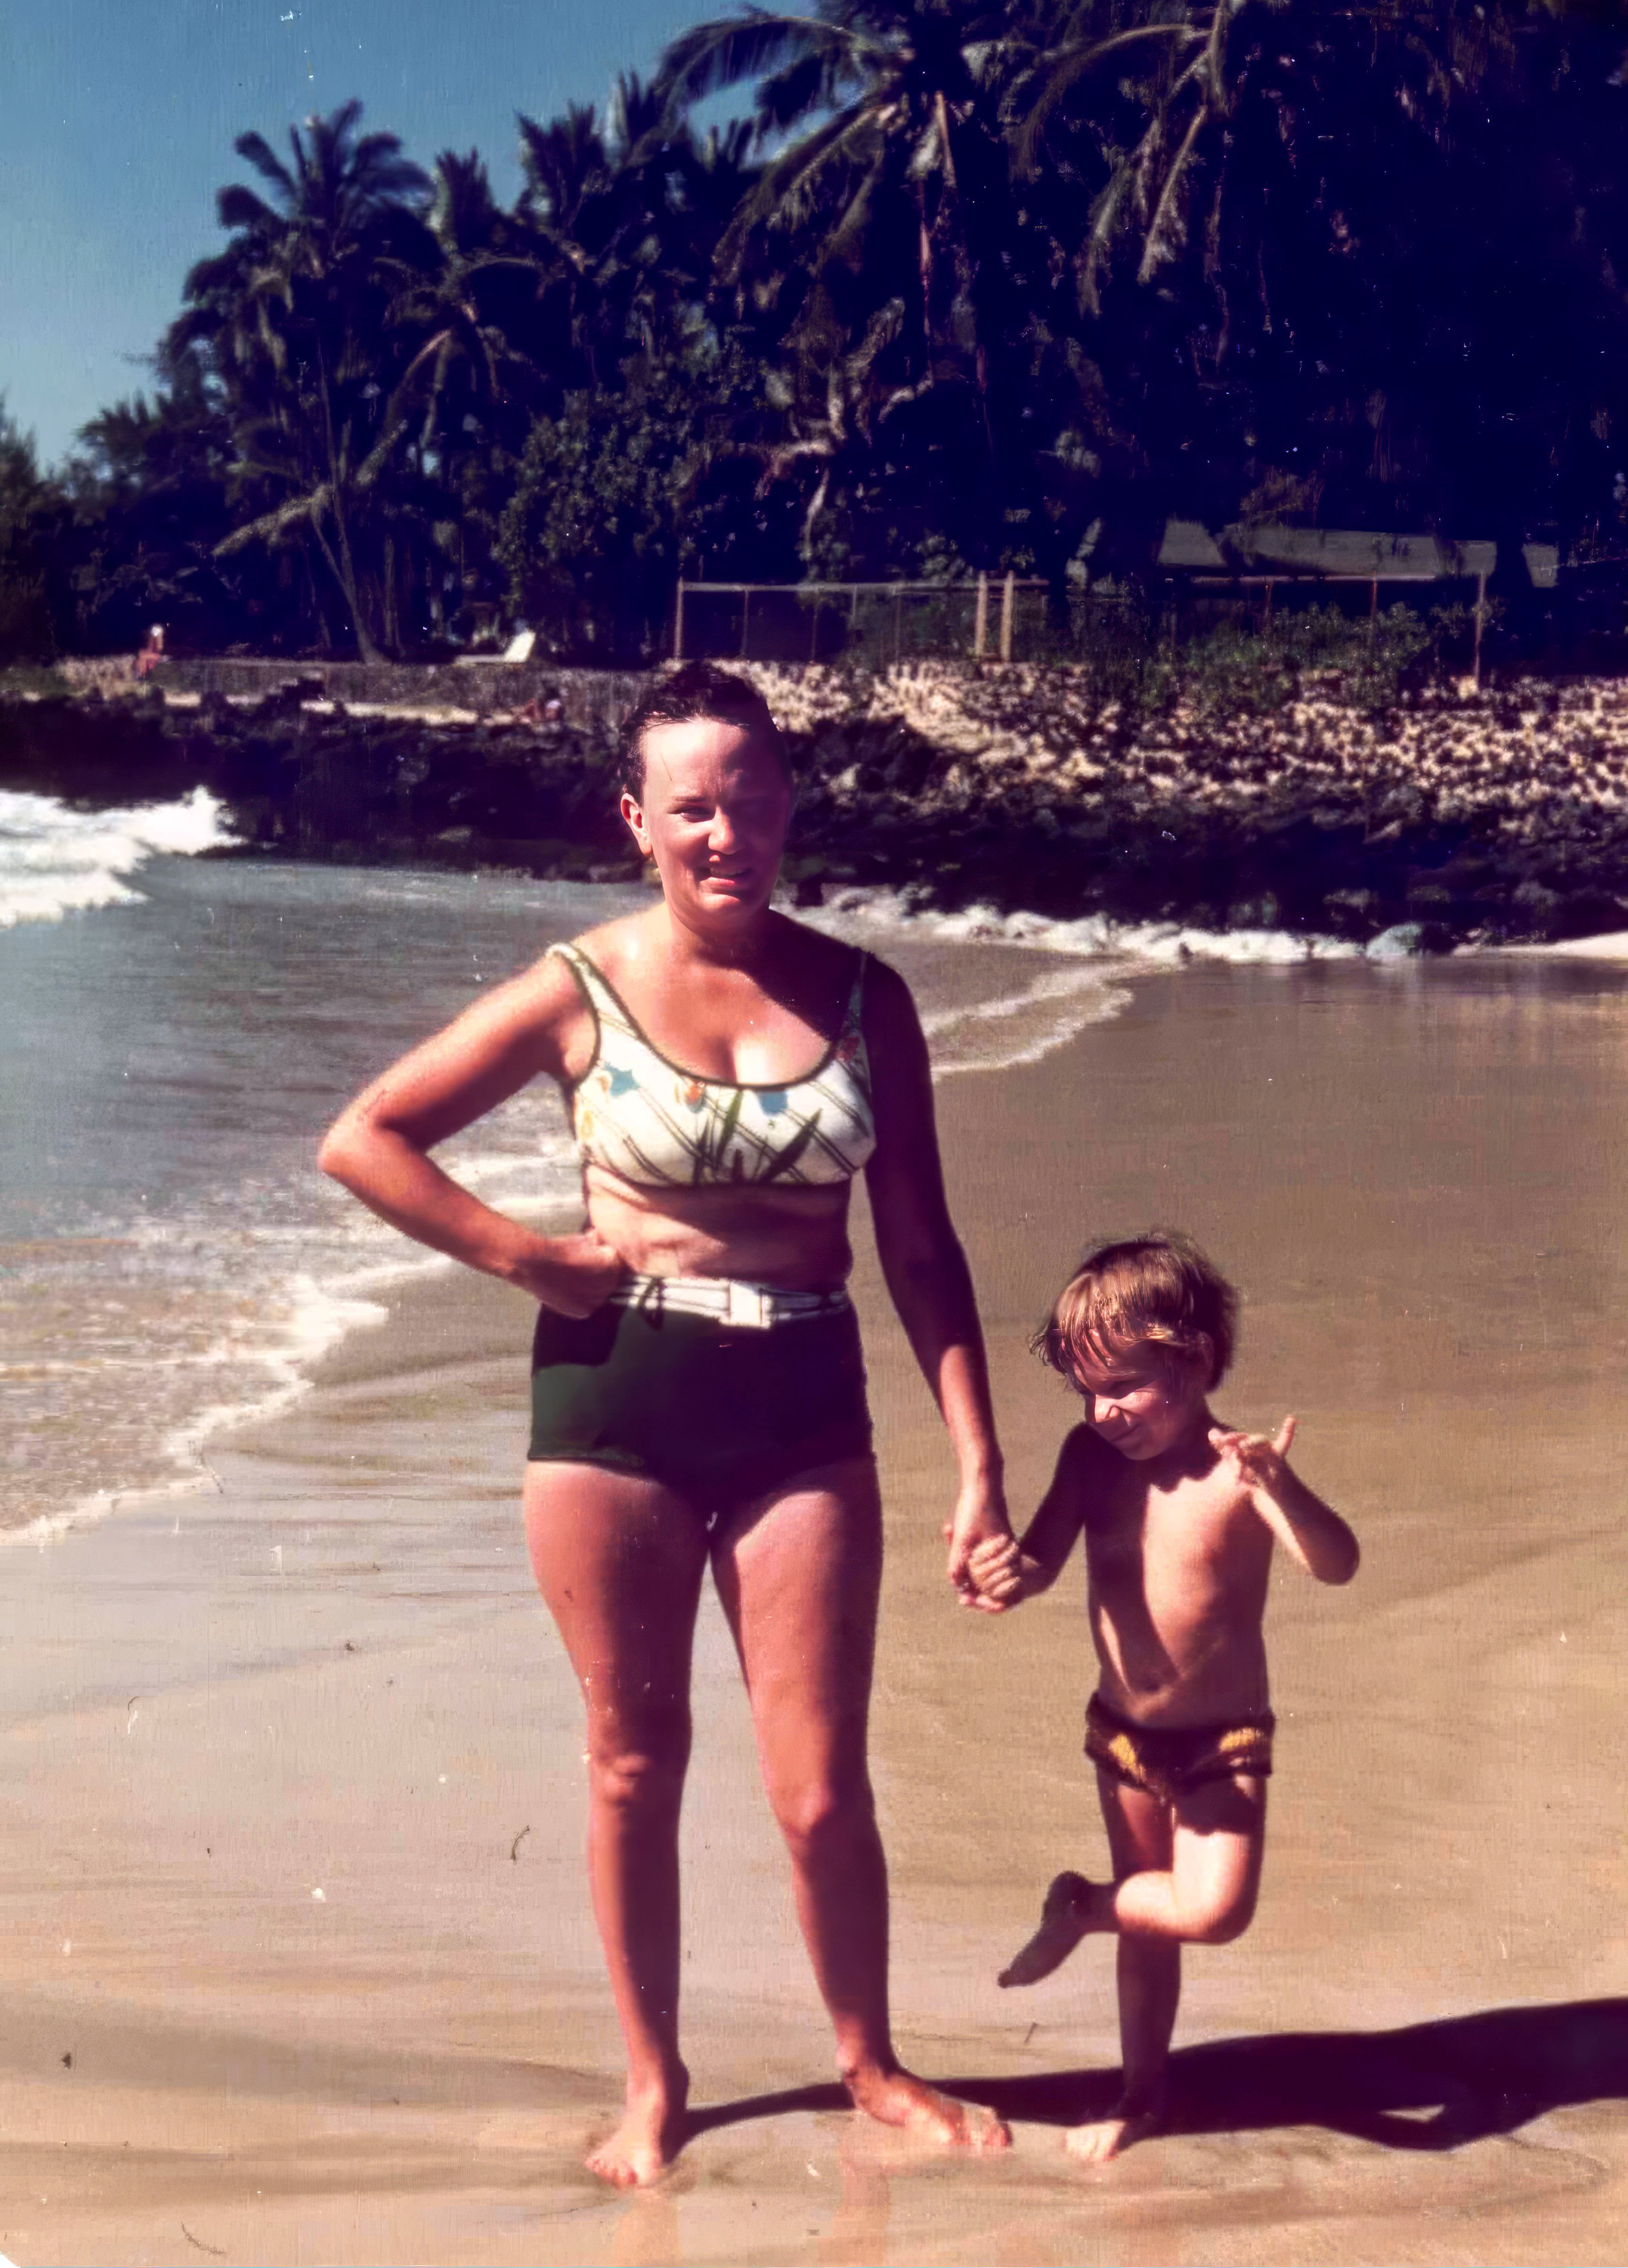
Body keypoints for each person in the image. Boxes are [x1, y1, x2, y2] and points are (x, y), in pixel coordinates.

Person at [318, 662, 1013, 2186]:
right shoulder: (575, 987)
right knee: (635, 1760)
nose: (727, 832)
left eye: (753, 801)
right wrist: (531, 1256)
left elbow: (921, 1250)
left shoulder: (862, 995)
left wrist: (979, 1457)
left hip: (805, 1409)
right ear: (635, 819)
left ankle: (870, 2062)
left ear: (786, 811)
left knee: (821, 1783)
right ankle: (654, 2084)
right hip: (614, 1410)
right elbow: (365, 1138)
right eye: (693, 805)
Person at [968, 1233, 1358, 2163]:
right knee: (1152, 1930)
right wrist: (997, 1569)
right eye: (1087, 1391)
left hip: (1222, 1740)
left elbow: (1336, 1565)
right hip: (1125, 1738)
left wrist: (1284, 1486)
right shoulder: (1090, 1457)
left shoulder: (1239, 1472)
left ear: (1200, 1361)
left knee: (1212, 1911)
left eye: (1127, 1386)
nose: (1104, 1412)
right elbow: (1041, 1563)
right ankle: (1142, 2094)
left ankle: (1081, 1910)